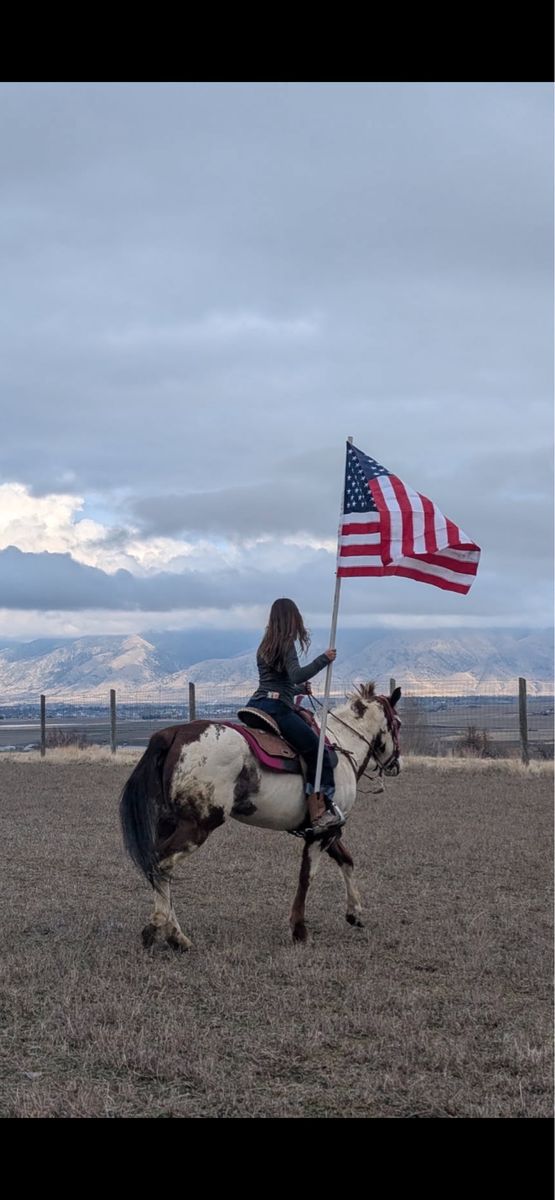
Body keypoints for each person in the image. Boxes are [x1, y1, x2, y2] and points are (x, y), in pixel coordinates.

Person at [245, 597, 342, 833]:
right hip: (277, 710)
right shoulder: (285, 643)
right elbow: (297, 674)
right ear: (291, 618)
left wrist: (299, 691)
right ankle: (319, 812)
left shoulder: (265, 644)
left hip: (258, 705)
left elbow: (277, 683)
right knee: (318, 752)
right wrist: (324, 659)